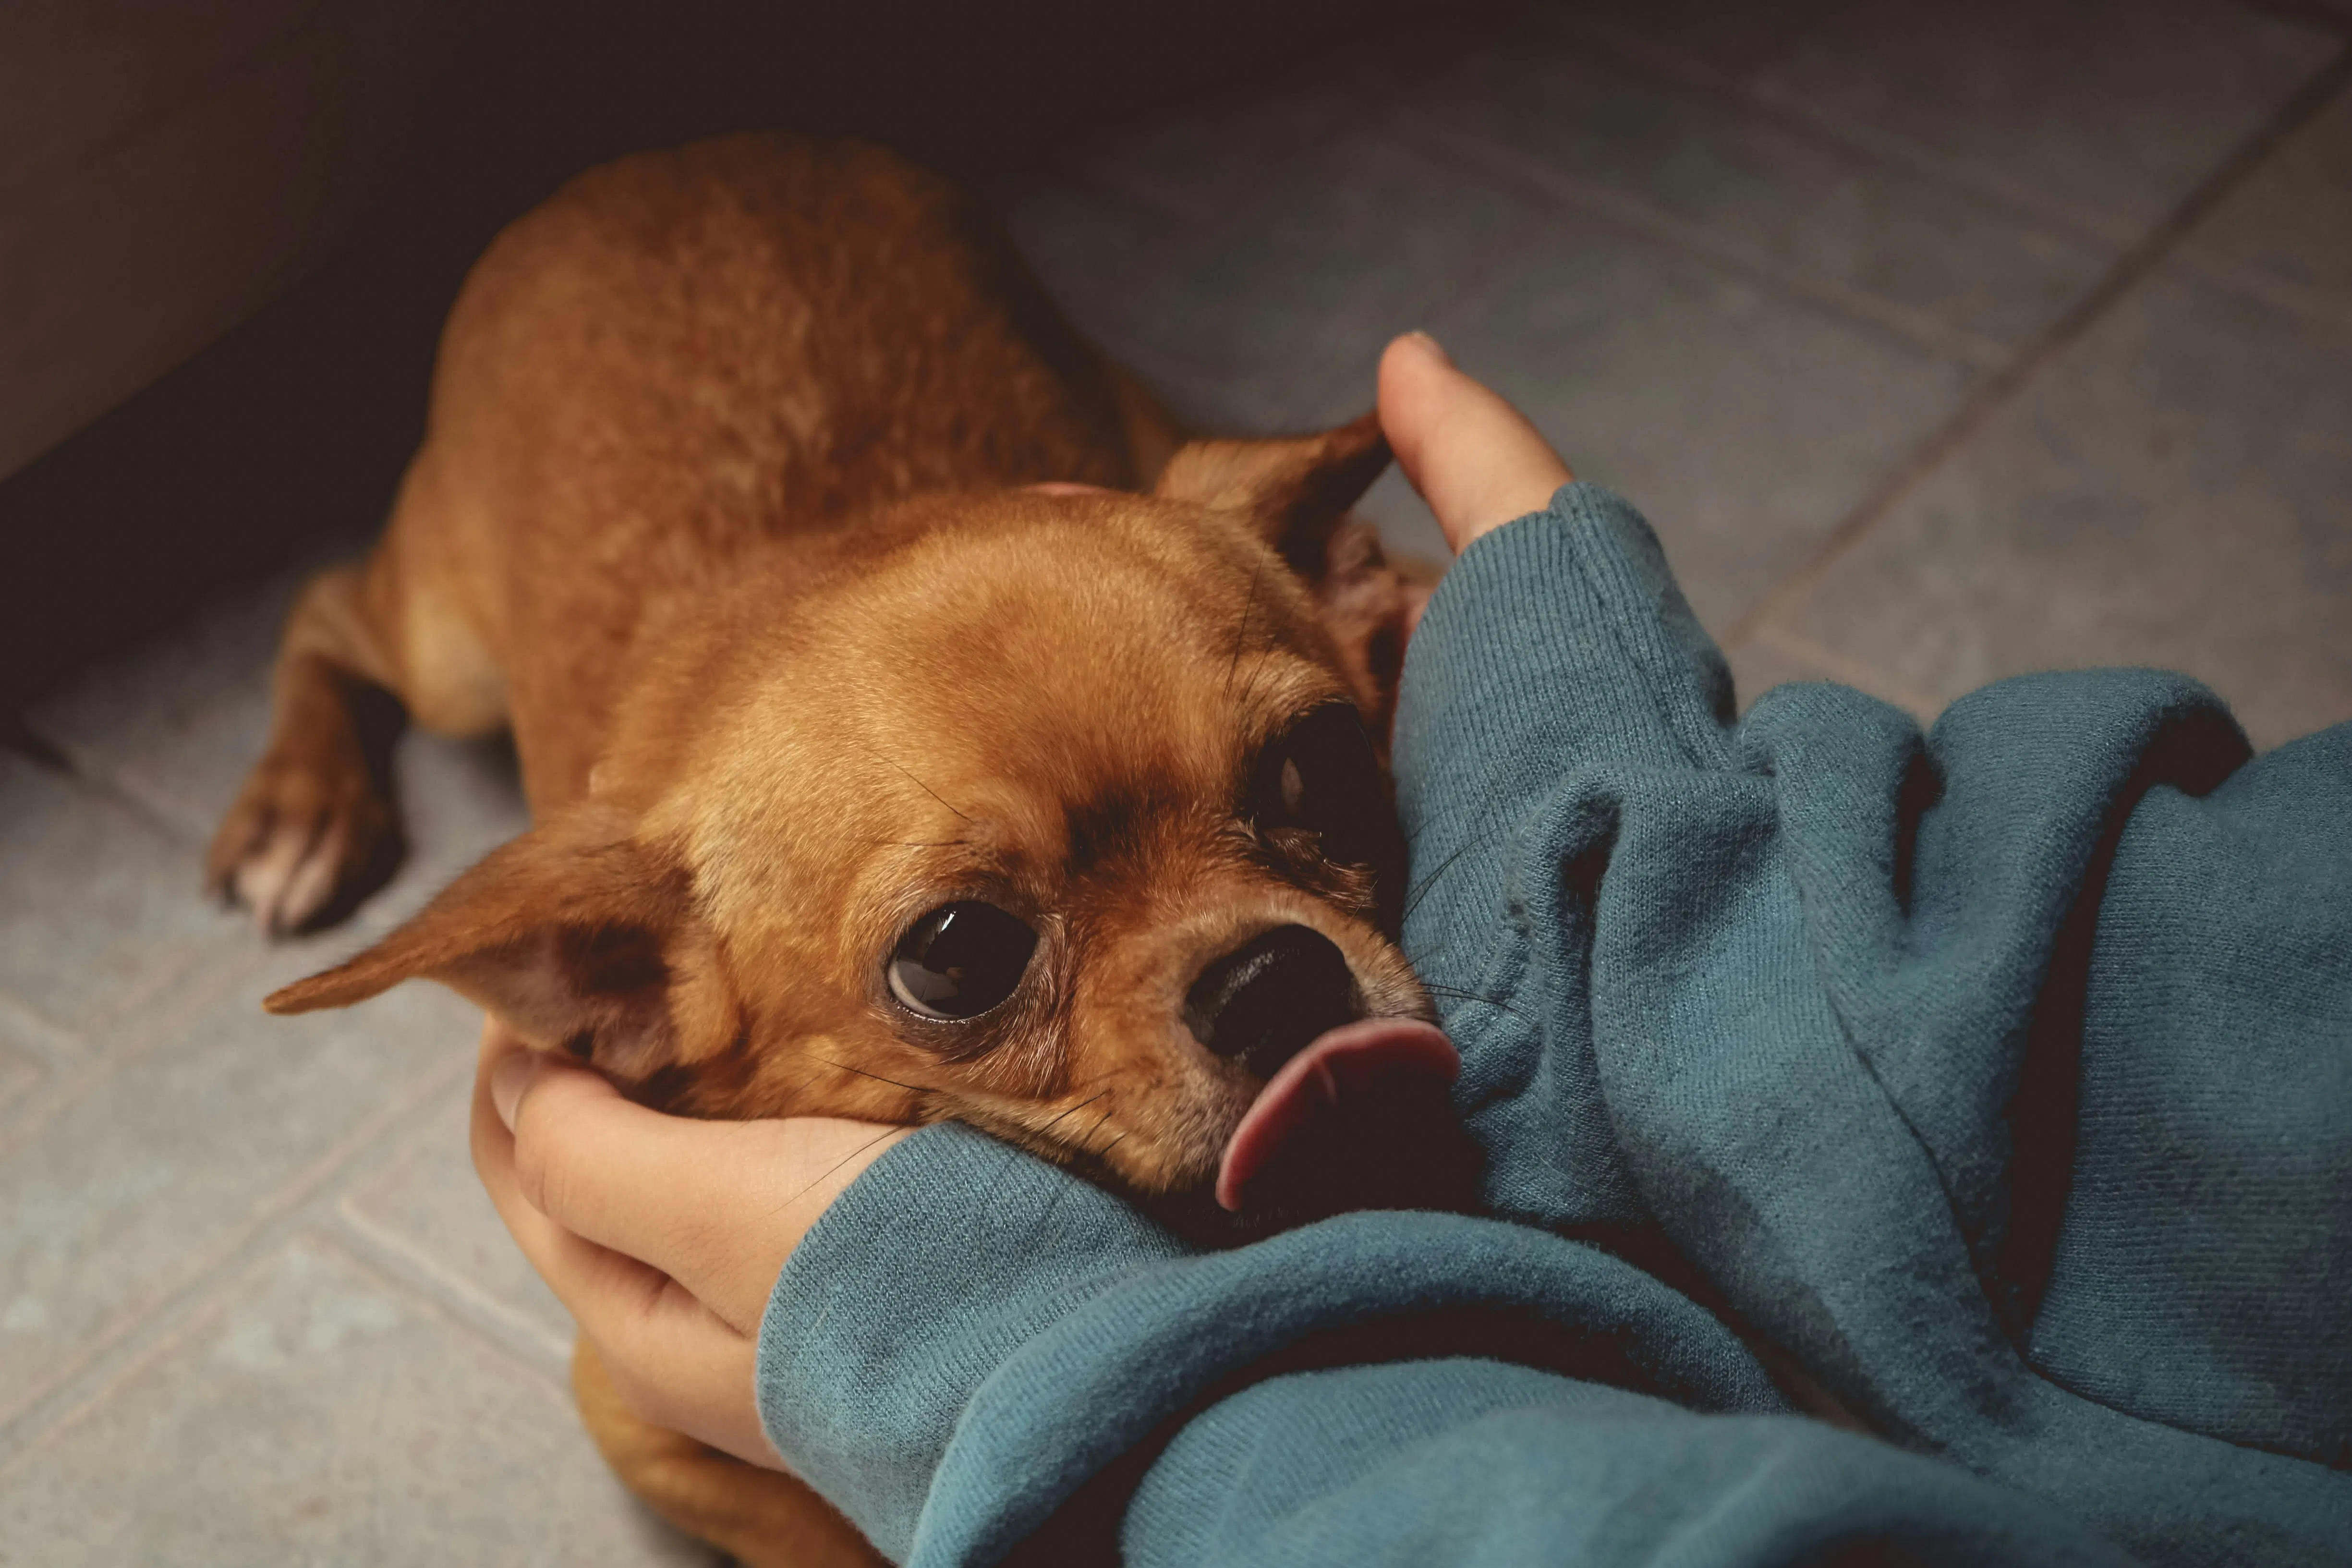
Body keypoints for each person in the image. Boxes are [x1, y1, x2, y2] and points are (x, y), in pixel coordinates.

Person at [471, 331, 2352, 1566]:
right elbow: (654, 1423)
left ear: (1363, 603)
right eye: (967, 955)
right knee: (416, 648)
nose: (1255, 954)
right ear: (632, 989)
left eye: (1292, 775)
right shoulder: (669, 904)